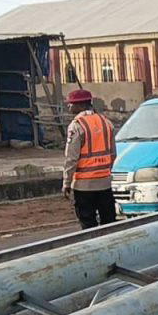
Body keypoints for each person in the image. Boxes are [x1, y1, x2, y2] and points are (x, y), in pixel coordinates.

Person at [62, 89, 117, 228]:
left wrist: (66, 183)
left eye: (71, 104)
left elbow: (71, 159)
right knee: (109, 224)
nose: (69, 107)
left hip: (84, 186)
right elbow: (113, 154)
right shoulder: (106, 122)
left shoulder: (77, 125)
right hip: (105, 183)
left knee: (88, 224)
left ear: (80, 105)